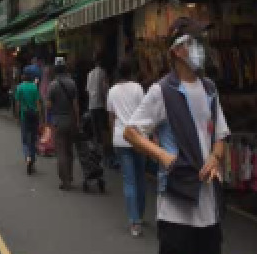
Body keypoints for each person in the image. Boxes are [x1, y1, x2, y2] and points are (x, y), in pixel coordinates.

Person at [124, 17, 230, 254]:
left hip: (209, 207)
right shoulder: (162, 91)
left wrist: (215, 157)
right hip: (175, 207)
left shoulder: (210, 88)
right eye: (195, 42)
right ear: (177, 50)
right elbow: (131, 132)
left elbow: (220, 136)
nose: (202, 47)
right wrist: (162, 155)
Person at [107, 58, 147, 237]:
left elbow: (111, 117)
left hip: (121, 137)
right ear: (131, 72)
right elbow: (145, 111)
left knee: (129, 180)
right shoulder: (138, 88)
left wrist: (112, 136)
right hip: (138, 137)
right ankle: (140, 214)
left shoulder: (112, 91)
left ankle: (134, 221)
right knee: (140, 177)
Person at [47, 56, 82, 190]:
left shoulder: (52, 85)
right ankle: (70, 176)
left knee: (61, 151)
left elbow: (48, 106)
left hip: (58, 121)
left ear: (55, 69)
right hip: (70, 120)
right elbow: (76, 105)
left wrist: (48, 121)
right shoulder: (72, 83)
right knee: (69, 150)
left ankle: (64, 180)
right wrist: (77, 121)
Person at [14, 72, 43, 174]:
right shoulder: (34, 87)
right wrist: (40, 117)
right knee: (33, 140)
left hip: (24, 116)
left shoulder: (19, 87)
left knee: (25, 140)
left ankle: (28, 158)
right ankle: (32, 160)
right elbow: (38, 103)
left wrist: (17, 116)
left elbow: (17, 104)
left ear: (22, 78)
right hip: (34, 116)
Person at [86, 53, 110, 158]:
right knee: (103, 128)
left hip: (92, 105)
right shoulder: (103, 72)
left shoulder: (89, 74)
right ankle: (104, 152)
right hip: (101, 105)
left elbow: (88, 90)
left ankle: (98, 151)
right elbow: (105, 89)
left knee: (95, 129)